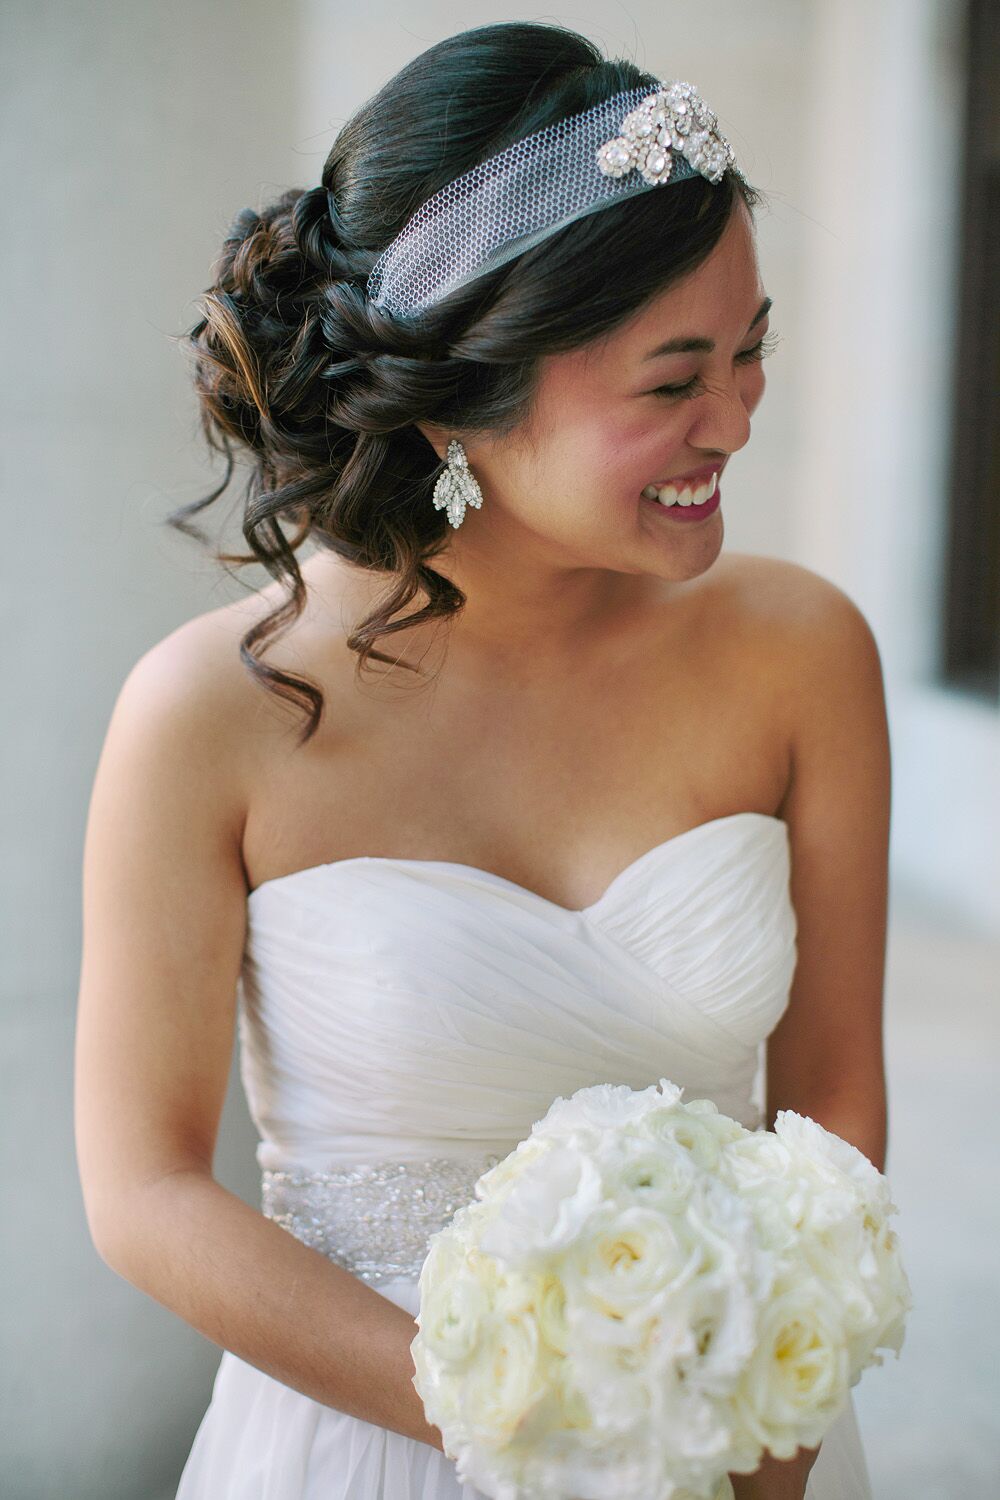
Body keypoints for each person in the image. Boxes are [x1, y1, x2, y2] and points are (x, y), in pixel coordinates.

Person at [74, 20, 889, 1500]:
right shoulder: (207, 715)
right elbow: (143, 1191)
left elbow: (831, 1097)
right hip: (357, 1451)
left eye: (754, 349)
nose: (739, 416)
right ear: (465, 396)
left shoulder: (804, 653)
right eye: (673, 379)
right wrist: (536, 1421)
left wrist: (767, 1433)